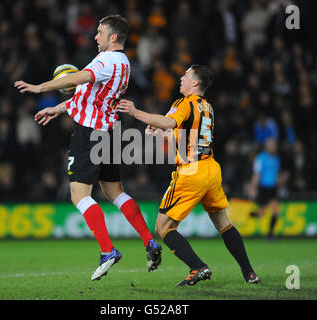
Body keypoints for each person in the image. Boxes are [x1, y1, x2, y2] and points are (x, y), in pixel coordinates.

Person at [14, 15, 162, 281]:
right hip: (109, 132)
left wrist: (40, 87)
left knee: (79, 195)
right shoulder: (124, 64)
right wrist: (58, 109)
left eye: (100, 32)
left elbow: (78, 79)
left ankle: (108, 251)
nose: (95, 37)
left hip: (90, 133)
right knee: (114, 192)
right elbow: (88, 94)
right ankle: (149, 241)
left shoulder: (107, 60)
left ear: (113, 37)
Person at [118, 65, 259, 287]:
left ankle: (198, 267)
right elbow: (181, 139)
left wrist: (136, 113)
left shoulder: (184, 103)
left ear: (195, 83)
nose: (181, 78)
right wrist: (160, 133)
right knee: (223, 223)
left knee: (163, 228)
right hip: (211, 169)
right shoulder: (207, 107)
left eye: (186, 75)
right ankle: (250, 273)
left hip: (191, 172)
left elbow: (168, 122)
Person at [249, 137, 281, 239]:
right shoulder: (261, 158)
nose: (273, 147)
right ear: (267, 146)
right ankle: (249, 215)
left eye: (274, 145)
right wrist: (253, 187)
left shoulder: (277, 158)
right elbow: (256, 173)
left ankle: (270, 234)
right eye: (271, 145)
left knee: (276, 210)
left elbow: (275, 173)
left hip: (273, 189)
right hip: (263, 188)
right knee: (261, 213)